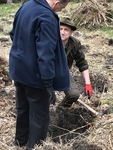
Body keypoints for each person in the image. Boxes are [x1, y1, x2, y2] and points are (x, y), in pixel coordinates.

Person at [9, 0, 70, 149]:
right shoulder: (47, 17)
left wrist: (25, 52)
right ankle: (34, 146)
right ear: (57, 2)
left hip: (18, 69)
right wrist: (48, 84)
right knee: (39, 116)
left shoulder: (27, 5)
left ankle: (20, 141)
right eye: (62, 7)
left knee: (23, 107)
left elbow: (13, 33)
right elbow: (46, 54)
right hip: (36, 75)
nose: (60, 11)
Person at [58, 17, 93, 107]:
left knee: (74, 94)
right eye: (60, 29)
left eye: (66, 30)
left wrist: (88, 83)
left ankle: (60, 111)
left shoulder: (75, 43)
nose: (62, 32)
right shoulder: (49, 40)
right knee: (45, 96)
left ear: (71, 32)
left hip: (63, 72)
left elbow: (82, 64)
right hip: (46, 72)